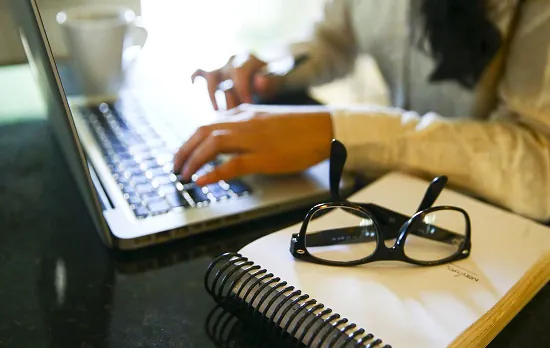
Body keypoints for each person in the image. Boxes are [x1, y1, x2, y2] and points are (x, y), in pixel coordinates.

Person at [173, 0, 550, 222]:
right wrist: (270, 69)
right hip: (404, 196)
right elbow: (333, 39)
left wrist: (341, 132)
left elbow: (540, 161)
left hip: (497, 223)